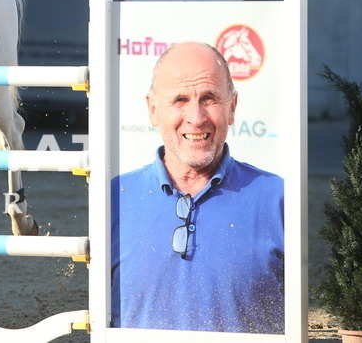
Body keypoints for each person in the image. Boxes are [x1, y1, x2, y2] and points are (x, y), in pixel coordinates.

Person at [111, 42, 284, 334]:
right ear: (153, 110)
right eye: (180, 99)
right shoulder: (113, 199)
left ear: (232, 108)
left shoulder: (278, 198)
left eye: (209, 98)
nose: (196, 117)